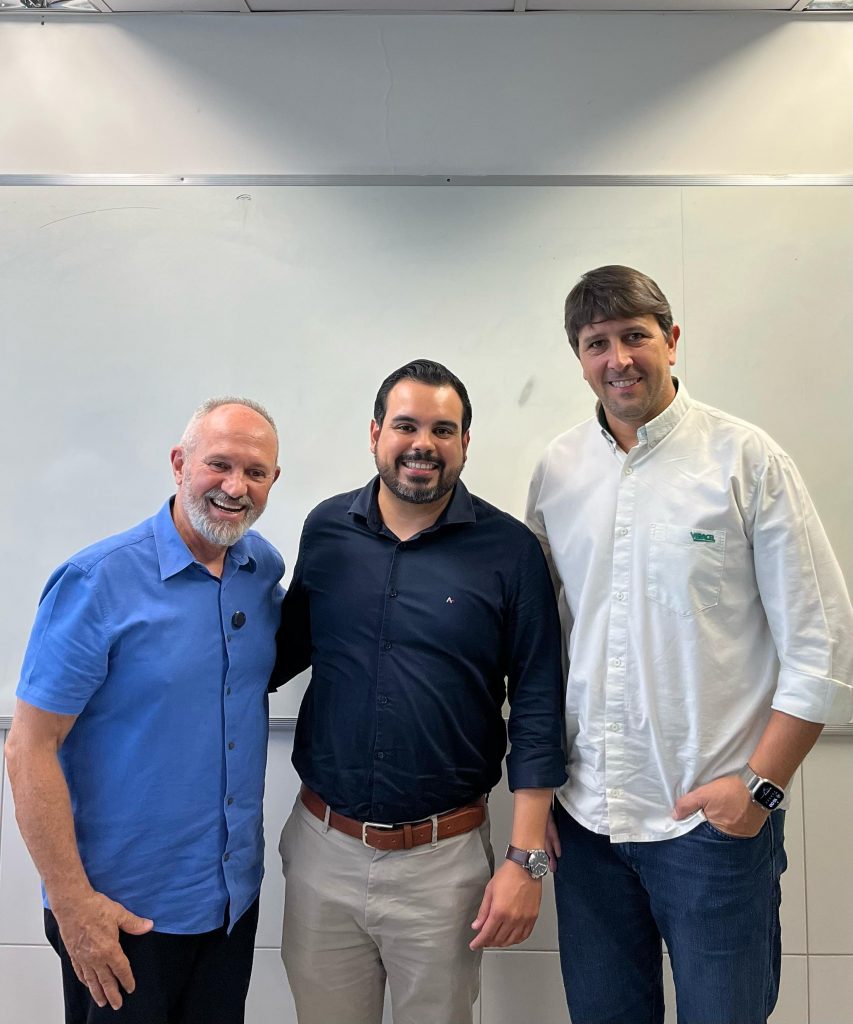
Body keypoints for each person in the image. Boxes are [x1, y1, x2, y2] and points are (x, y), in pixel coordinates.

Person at [526, 264, 853, 1024]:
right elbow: (541, 645)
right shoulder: (557, 472)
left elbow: (823, 644)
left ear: (671, 340)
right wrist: (540, 796)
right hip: (588, 819)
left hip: (710, 825)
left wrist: (759, 789)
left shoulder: (746, 460)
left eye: (634, 336)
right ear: (578, 357)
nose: (618, 359)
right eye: (596, 343)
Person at [271, 359, 566, 1024]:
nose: (422, 444)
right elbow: (278, 655)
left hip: (443, 864)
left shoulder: (511, 551)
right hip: (323, 850)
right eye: (405, 426)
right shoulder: (326, 530)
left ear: (465, 442)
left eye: (443, 429)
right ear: (376, 433)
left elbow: (538, 705)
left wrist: (525, 862)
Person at [5, 397, 283, 1024]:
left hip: (229, 904)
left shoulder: (259, 569)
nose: (235, 487)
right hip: (118, 915)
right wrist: (73, 907)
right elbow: (27, 748)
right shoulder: (95, 581)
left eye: (255, 472)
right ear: (180, 463)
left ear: (273, 480)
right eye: (219, 465)